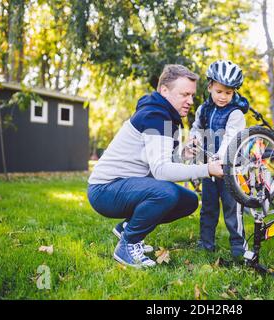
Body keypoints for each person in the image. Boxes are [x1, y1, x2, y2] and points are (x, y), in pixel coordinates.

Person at [87, 64, 224, 268]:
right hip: (104, 189)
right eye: (185, 94)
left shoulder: (166, 116)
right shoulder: (155, 117)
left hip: (125, 185)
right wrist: (206, 170)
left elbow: (157, 161)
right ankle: (128, 243)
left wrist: (182, 154)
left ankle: (128, 227)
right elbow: (161, 172)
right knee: (166, 193)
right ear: (164, 90)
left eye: (192, 95)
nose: (190, 101)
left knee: (189, 200)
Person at [189, 60, 250, 259]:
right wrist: (195, 139)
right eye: (219, 91)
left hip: (230, 169)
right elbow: (197, 128)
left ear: (234, 93)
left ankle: (238, 248)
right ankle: (206, 244)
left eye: (228, 93)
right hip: (209, 168)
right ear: (210, 87)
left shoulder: (235, 113)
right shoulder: (203, 109)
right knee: (208, 207)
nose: (223, 97)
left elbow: (231, 139)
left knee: (233, 210)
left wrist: (219, 157)